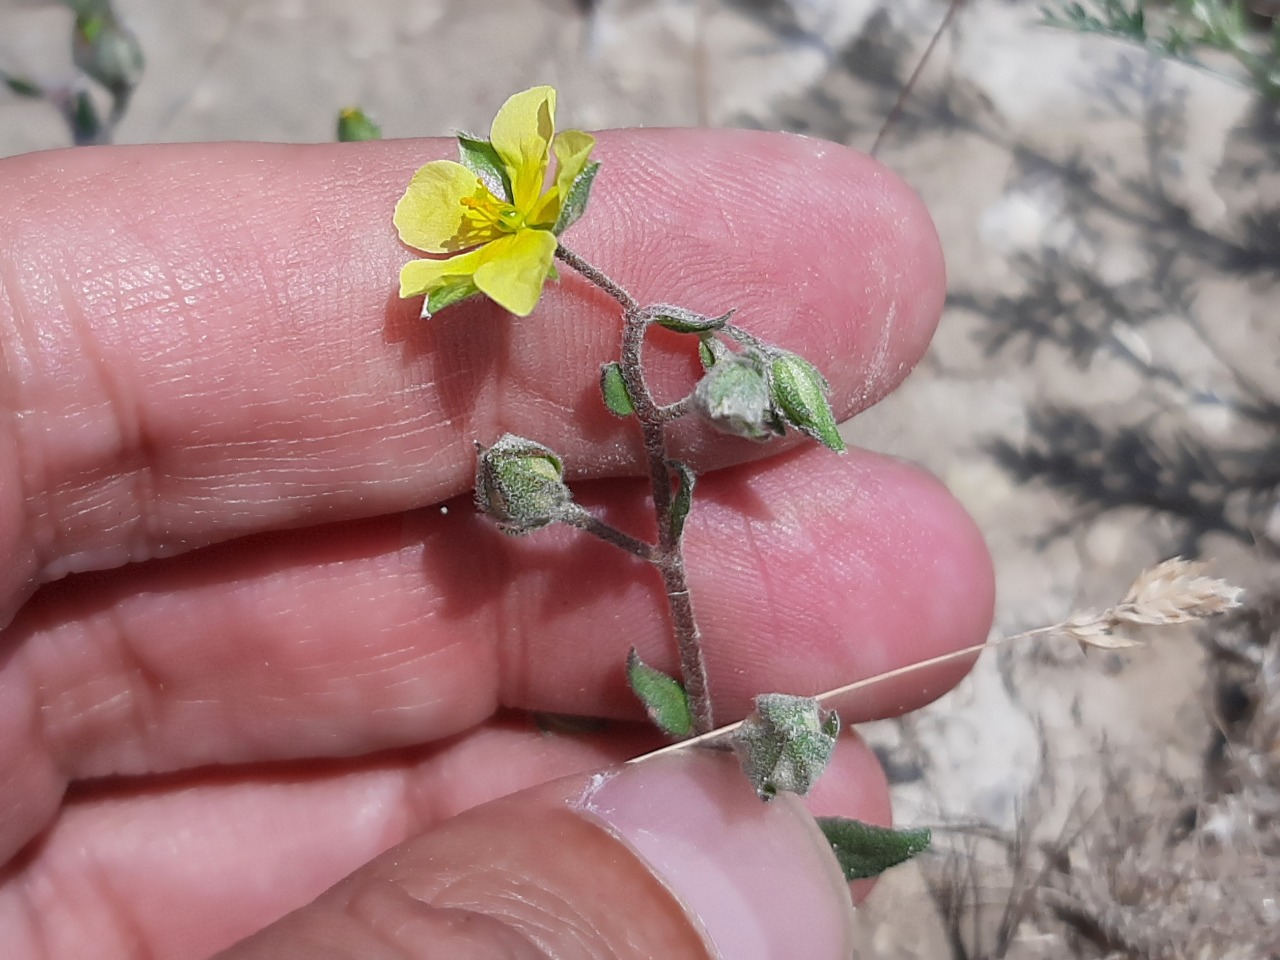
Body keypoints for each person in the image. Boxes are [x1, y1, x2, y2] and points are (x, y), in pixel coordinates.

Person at [0, 128, 994, 959]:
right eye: (500, 210)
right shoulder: (520, 278)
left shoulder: (564, 266)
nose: (498, 213)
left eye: (514, 208)